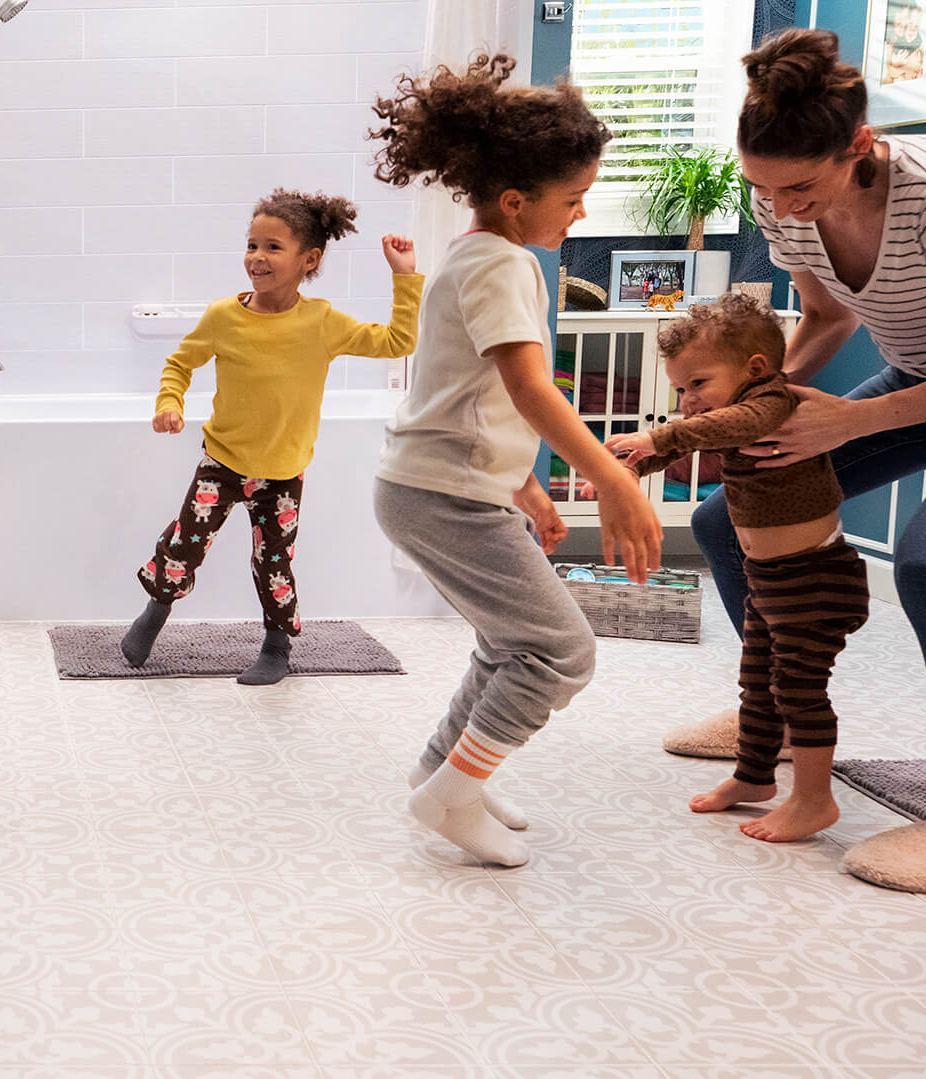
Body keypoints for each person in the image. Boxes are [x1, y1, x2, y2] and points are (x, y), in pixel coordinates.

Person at [678, 28, 926, 893]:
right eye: (763, 187)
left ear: (859, 147)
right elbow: (828, 318)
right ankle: (783, 721)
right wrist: (762, 412)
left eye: (801, 188)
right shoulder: (776, 198)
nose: (780, 208)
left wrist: (851, 424)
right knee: (723, 518)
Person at [369, 54, 662, 867]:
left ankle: (445, 768)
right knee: (562, 649)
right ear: (514, 200)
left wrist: (524, 483)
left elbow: (468, 393)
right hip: (444, 493)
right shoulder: (503, 263)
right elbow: (528, 388)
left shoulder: (471, 257)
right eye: (572, 200)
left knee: (510, 643)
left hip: (439, 485)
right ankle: (451, 795)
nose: (579, 213)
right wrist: (611, 477)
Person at [119, 190, 422, 685]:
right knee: (186, 545)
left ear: (310, 260)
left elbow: (397, 341)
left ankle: (277, 647)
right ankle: (155, 611)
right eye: (252, 245)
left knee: (274, 562)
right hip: (223, 460)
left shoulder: (323, 322)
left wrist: (404, 276)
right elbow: (180, 364)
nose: (257, 257)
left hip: (282, 471)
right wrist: (169, 403)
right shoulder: (224, 316)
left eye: (273, 247)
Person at [608, 296, 869, 842]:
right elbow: (702, 434)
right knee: (757, 684)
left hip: (817, 579)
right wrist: (631, 467)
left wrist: (656, 438)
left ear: (753, 369)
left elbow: (732, 424)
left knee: (800, 690)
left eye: (697, 384)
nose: (687, 401)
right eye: (681, 389)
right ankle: (753, 778)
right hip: (770, 581)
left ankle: (815, 799)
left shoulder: (771, 401)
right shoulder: (728, 415)